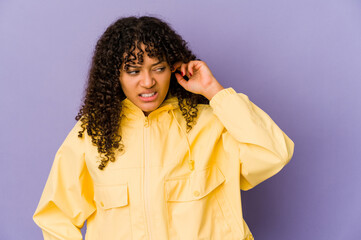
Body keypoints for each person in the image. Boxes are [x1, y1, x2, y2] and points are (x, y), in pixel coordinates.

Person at [33, 15, 295, 240]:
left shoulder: (210, 123)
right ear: (116, 76)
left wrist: (214, 91)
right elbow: (55, 216)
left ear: (173, 68)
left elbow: (274, 153)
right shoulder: (93, 133)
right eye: (133, 71)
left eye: (158, 68)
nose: (148, 82)